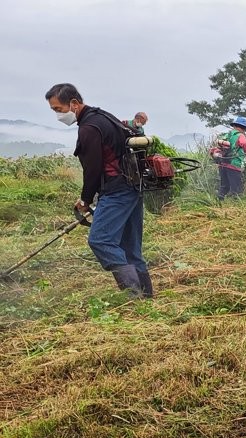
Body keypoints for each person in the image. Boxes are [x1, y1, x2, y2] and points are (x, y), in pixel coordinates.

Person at [45, 83, 152, 297]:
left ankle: (133, 295)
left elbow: (93, 169)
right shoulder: (103, 117)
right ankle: (146, 297)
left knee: (100, 240)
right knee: (130, 247)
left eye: (58, 109)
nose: (58, 115)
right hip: (132, 185)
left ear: (74, 103)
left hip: (116, 190)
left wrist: (85, 200)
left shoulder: (89, 128)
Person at [213, 116, 246, 201]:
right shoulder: (241, 135)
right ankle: (235, 205)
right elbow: (244, 144)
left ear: (234, 126)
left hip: (222, 164)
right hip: (234, 165)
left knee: (224, 186)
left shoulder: (227, 135)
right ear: (243, 128)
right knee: (236, 188)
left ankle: (219, 203)